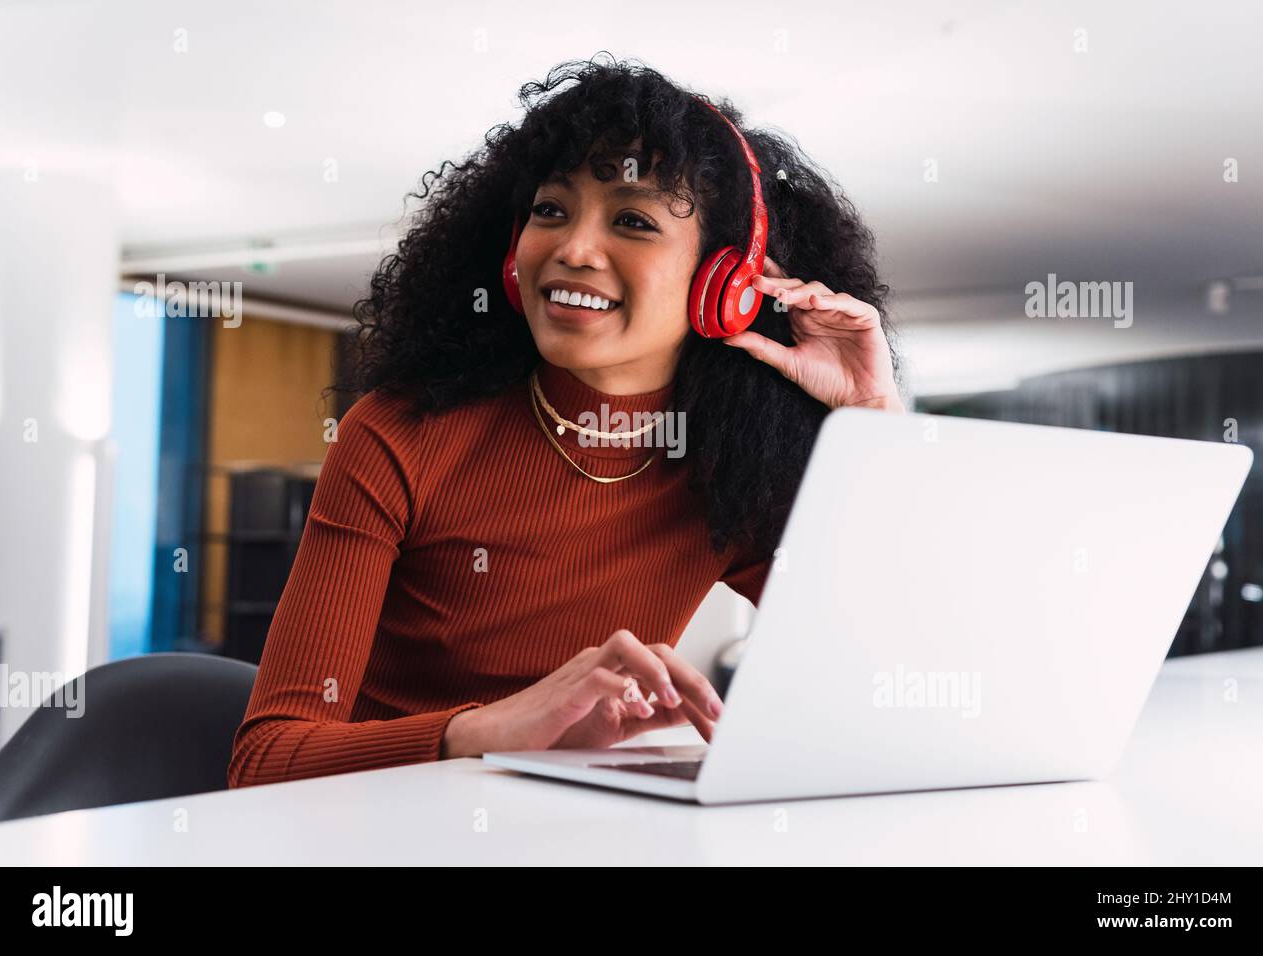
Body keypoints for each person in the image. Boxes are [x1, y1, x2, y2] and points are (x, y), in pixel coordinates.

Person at [227, 55, 904, 789]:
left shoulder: (730, 463)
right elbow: (266, 761)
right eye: (551, 210)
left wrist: (872, 423)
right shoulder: (400, 435)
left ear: (729, 284)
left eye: (633, 220)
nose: (573, 249)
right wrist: (488, 732)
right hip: (374, 832)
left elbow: (891, 670)